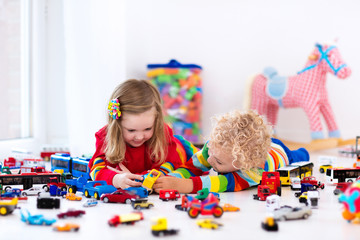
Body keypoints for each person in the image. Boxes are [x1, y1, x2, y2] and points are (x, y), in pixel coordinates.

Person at [153, 110, 309, 193]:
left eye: (219, 162)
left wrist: (183, 185)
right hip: (259, 147)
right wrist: (170, 178)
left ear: (243, 164)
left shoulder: (253, 172)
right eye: (211, 151)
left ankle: (305, 151)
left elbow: (220, 183)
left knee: (298, 157)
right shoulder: (216, 148)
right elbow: (192, 167)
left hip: (279, 152)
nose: (211, 160)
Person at [88, 79, 198, 189]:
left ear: (156, 121)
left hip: (182, 150)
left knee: (199, 162)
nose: (140, 137)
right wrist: (116, 179)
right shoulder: (106, 137)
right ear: (117, 125)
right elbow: (96, 170)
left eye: (147, 129)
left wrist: (139, 177)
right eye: (131, 130)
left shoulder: (163, 134)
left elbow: (170, 166)